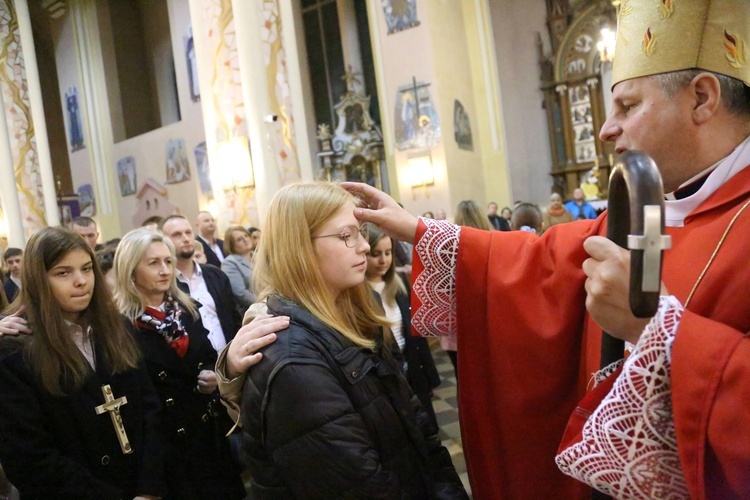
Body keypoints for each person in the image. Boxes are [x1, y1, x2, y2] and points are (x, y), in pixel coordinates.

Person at [338, 2, 750, 496]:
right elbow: (537, 263)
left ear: (702, 98)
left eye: (627, 106)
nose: (605, 129)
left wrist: (653, 327)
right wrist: (416, 228)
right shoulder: (639, 208)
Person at [226, 182, 467, 498]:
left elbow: (416, 424)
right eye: (346, 236)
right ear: (299, 247)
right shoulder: (293, 362)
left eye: (361, 233)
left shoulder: (360, 309)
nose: (365, 247)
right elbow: (359, 485)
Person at [0, 227, 166, 498]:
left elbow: (150, 411)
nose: (81, 281)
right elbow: (29, 457)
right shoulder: (14, 351)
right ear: (38, 280)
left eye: (87, 269)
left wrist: (148, 489)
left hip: (140, 486)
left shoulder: (117, 328)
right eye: (63, 273)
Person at [113, 228, 245, 500]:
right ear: (131, 270)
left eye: (168, 262)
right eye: (153, 263)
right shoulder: (120, 326)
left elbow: (208, 354)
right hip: (166, 444)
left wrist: (211, 375)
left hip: (207, 432)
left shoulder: (186, 308)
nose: (164, 270)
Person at [365, 222, 441, 427]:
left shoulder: (397, 283)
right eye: (376, 254)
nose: (383, 260)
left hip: (413, 368)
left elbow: (416, 333)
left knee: (427, 428)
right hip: (387, 378)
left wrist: (429, 376)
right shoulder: (358, 292)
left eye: (388, 253)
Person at [161, 215, 241, 354]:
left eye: (188, 232)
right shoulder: (164, 284)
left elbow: (233, 318)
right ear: (165, 241)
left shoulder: (216, 275)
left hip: (230, 358)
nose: (185, 238)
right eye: (177, 235)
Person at [221, 225, 257, 311]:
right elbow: (241, 293)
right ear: (232, 245)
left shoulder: (259, 256)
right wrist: (264, 303)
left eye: (246, 236)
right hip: (253, 310)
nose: (245, 240)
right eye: (239, 239)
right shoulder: (229, 263)